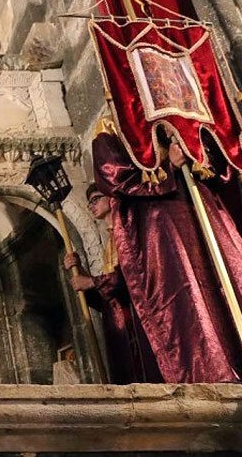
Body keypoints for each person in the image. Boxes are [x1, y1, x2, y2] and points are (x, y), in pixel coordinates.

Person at [93, 120, 242, 382]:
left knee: (227, 277)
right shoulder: (111, 124)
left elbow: (223, 161)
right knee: (188, 304)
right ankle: (211, 373)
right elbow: (114, 174)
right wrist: (167, 167)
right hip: (160, 225)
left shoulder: (179, 113)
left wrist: (195, 146)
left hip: (202, 207)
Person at [63, 183, 161, 384]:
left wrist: (90, 281)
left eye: (96, 198)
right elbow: (108, 296)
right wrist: (78, 270)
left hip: (138, 317)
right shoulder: (109, 241)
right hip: (120, 323)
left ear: (111, 197)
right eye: (89, 202)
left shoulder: (127, 230)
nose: (91, 205)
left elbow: (130, 276)